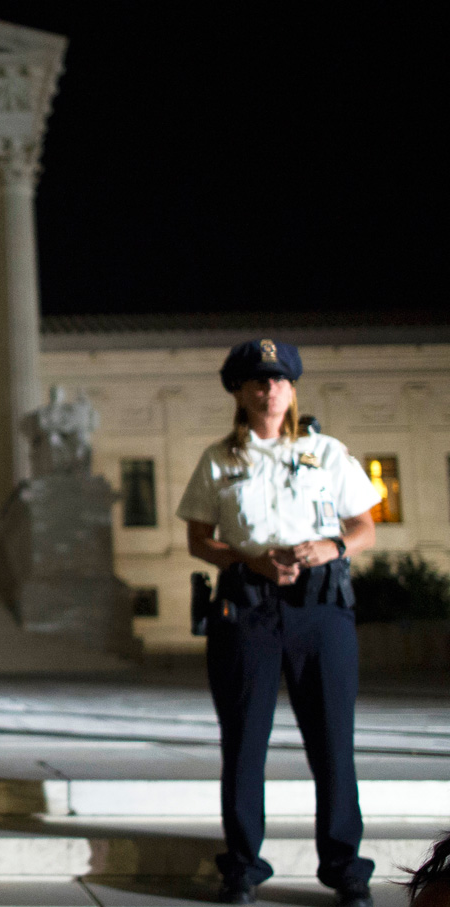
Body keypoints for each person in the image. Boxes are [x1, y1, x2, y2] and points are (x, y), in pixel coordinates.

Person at [177, 339, 380, 907]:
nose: (270, 390)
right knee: (244, 743)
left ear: (292, 389)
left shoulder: (326, 452)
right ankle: (241, 867)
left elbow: (365, 526)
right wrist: (247, 559)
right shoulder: (220, 459)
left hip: (322, 607)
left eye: (280, 381)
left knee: (333, 741)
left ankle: (345, 868)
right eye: (258, 382)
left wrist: (330, 547)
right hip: (247, 609)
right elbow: (198, 538)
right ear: (240, 393)